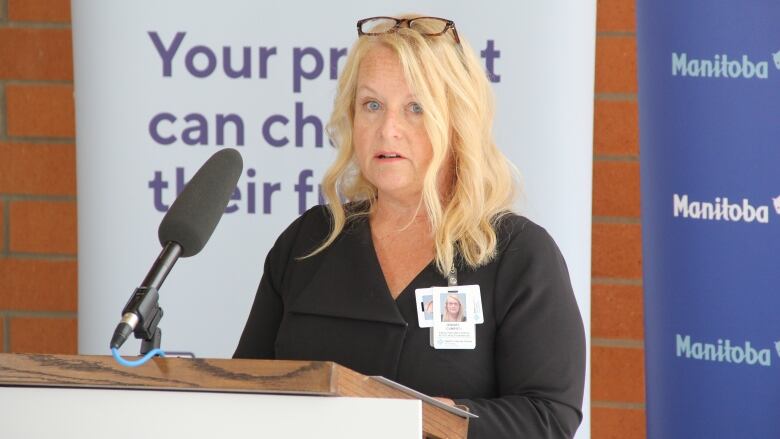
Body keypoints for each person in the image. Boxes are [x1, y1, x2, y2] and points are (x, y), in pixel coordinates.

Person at [235, 15, 585, 438]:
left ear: (457, 122)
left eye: (415, 108)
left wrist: (438, 418)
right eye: (372, 105)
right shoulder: (309, 241)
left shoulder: (517, 253)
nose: (388, 130)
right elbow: (246, 391)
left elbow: (548, 417)